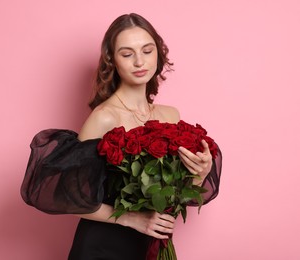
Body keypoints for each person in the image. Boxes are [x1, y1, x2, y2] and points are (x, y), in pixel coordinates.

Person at [21, 13, 222, 260]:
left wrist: (199, 174)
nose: (139, 61)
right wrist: (131, 218)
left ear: (158, 54)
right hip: (102, 247)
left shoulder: (170, 116)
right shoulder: (104, 117)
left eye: (147, 51)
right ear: (112, 61)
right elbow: (72, 198)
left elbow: (173, 197)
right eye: (127, 54)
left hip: (151, 244)